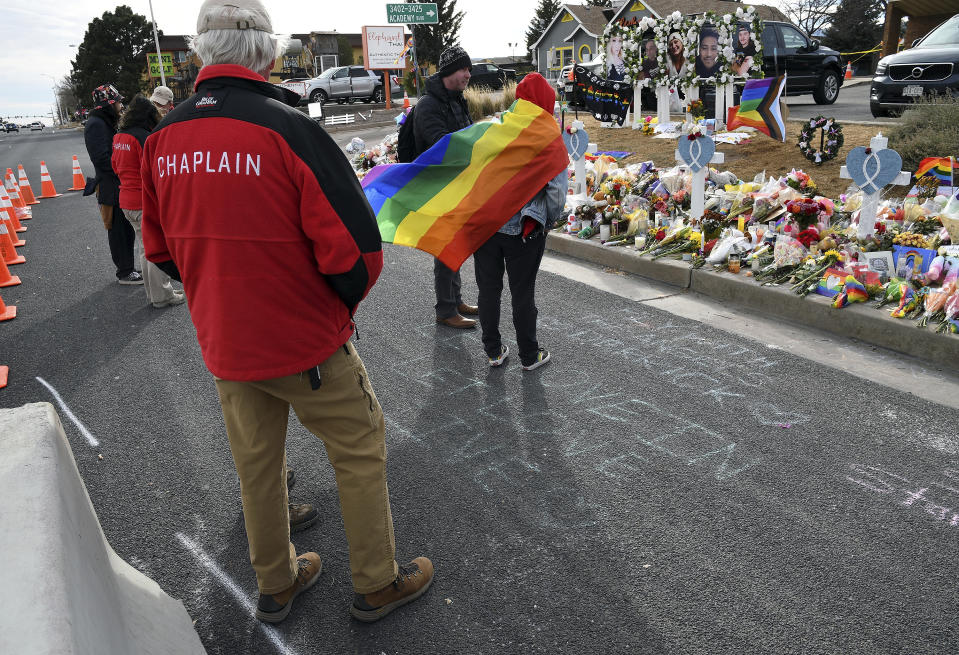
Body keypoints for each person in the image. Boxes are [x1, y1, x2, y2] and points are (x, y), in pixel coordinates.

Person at [141, 0, 433, 625]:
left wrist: (217, 291)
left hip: (227, 344)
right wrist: (334, 305)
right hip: (305, 340)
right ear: (268, 54)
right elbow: (356, 249)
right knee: (358, 449)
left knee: (257, 467)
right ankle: (377, 581)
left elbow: (160, 248)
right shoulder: (289, 129)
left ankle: (276, 582)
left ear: (199, 54)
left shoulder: (161, 137)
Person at [473, 73, 563, 372]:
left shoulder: (496, 127)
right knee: (522, 292)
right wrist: (547, 221)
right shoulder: (547, 135)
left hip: (486, 225)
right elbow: (556, 191)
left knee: (488, 290)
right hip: (523, 228)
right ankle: (529, 354)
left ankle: (494, 351)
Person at [412, 45, 479, 329]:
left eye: (469, 70)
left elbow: (466, 132)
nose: (467, 75)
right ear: (450, 71)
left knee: (456, 242)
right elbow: (440, 145)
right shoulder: (428, 104)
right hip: (435, 185)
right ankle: (445, 308)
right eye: (464, 69)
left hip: (455, 184)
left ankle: (456, 299)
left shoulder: (456, 99)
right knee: (445, 245)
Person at [111, 96, 186, 309]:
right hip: (144, 200)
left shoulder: (119, 137)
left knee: (144, 248)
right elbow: (156, 171)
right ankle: (162, 295)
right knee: (155, 248)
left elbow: (115, 167)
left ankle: (155, 292)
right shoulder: (144, 137)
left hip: (125, 199)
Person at [83, 84, 141, 285]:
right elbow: (101, 159)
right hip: (110, 186)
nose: (121, 104)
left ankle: (129, 268)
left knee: (125, 229)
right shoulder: (96, 125)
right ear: (109, 103)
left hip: (117, 183)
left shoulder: (106, 122)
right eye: (118, 101)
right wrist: (123, 168)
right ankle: (125, 271)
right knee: (118, 230)